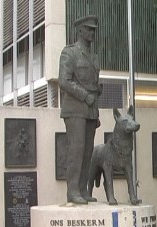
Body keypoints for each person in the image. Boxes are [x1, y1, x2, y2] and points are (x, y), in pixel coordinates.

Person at [58, 15, 102, 204]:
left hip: (91, 109)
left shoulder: (94, 56)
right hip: (75, 108)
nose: (92, 32)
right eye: (89, 29)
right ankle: (72, 191)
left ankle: (83, 189)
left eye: (93, 30)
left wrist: (97, 91)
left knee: (87, 151)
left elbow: (91, 83)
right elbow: (64, 81)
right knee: (76, 149)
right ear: (80, 31)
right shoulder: (70, 53)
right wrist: (85, 95)